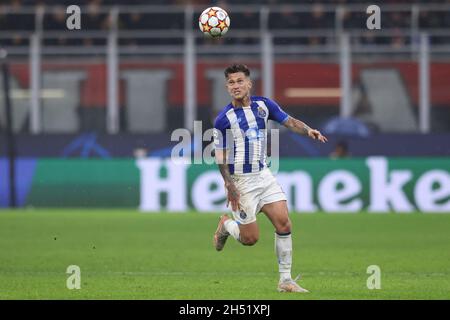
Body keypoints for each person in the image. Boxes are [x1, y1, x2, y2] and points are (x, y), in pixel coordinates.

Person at [212, 64, 327, 293]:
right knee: (250, 239)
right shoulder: (223, 119)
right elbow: (220, 155)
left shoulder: (265, 105)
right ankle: (226, 225)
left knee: (284, 222)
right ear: (227, 87)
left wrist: (309, 130)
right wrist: (229, 184)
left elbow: (290, 121)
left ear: (249, 83)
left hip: (264, 175)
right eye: (231, 83)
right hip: (242, 182)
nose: (235, 86)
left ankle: (285, 281)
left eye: (239, 81)